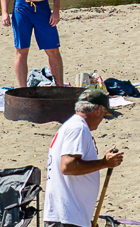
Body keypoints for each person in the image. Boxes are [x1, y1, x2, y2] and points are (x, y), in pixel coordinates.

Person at [45, 85, 124, 227]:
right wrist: (104, 163)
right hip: (67, 217)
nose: (102, 120)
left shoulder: (70, 126)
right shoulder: (78, 128)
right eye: (104, 115)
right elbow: (67, 166)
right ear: (98, 110)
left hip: (69, 216)